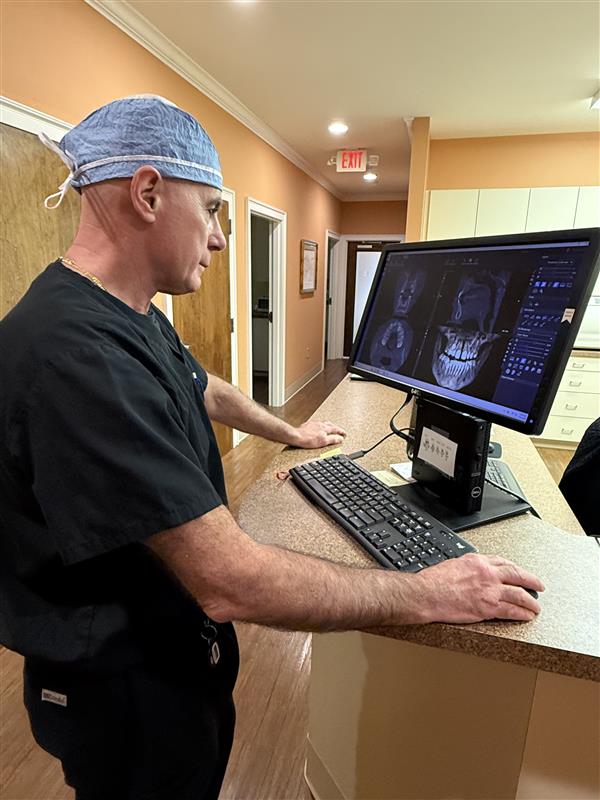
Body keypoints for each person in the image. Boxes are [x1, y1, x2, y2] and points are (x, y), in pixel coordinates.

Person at [0, 95, 544, 800]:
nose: (219, 239)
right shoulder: (77, 356)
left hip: (165, 655)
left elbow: (202, 386)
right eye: (212, 210)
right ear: (148, 193)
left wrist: (291, 430)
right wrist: (426, 591)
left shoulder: (125, 314)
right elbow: (230, 579)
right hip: (123, 691)